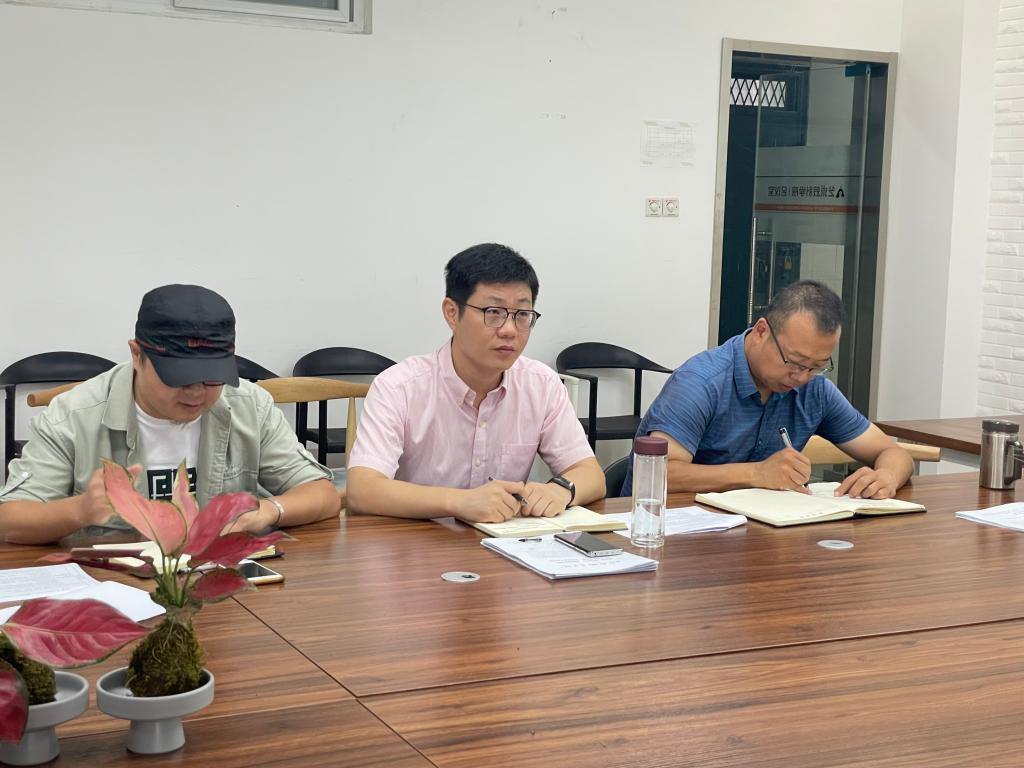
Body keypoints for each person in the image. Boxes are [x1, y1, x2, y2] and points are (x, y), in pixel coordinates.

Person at [0, 284, 340, 545]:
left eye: (212, 379)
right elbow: (9, 519)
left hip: (218, 586)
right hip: (114, 586)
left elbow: (323, 496)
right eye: (178, 378)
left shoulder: (250, 406)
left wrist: (268, 510)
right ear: (136, 355)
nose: (196, 393)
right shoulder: (73, 416)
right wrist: (79, 510)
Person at [346, 243, 605, 523]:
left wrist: (561, 490)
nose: (509, 330)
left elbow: (590, 474)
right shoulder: (399, 388)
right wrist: (458, 502)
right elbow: (363, 491)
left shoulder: (542, 385)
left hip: (504, 544)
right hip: (415, 543)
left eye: (522, 315)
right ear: (452, 313)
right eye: (493, 312)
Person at [621, 280, 912, 499]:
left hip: (760, 539)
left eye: (817, 366)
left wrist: (886, 476)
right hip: (676, 535)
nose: (802, 377)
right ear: (761, 331)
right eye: (794, 362)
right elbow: (658, 474)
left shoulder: (815, 391)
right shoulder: (701, 382)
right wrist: (756, 473)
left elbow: (891, 451)